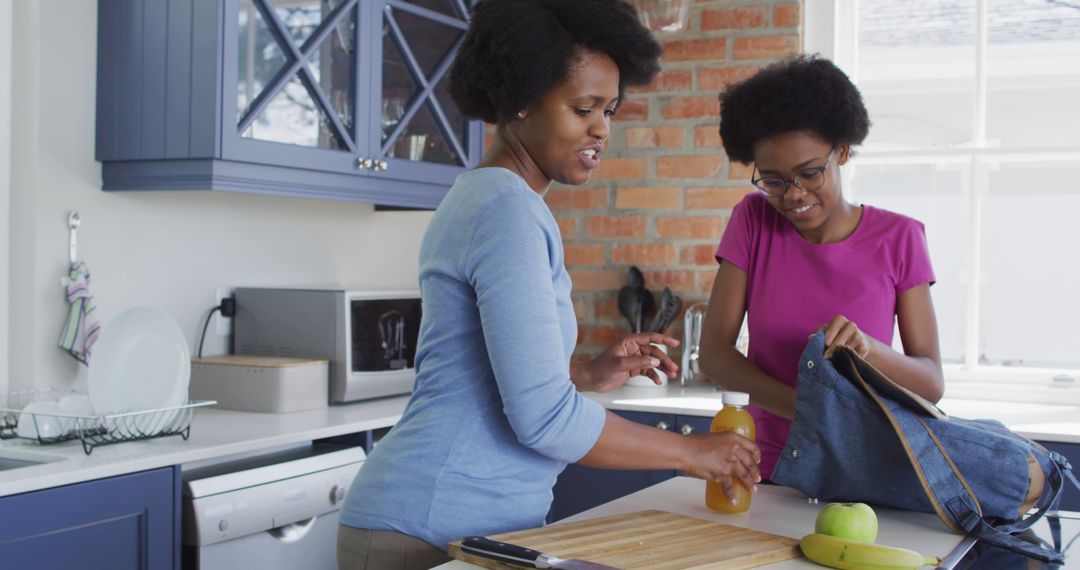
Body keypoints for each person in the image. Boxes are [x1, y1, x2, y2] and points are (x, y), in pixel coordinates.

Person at [337, 1, 761, 568]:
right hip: (425, 528)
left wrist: (585, 374)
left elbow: (487, 375)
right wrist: (693, 453)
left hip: (445, 523)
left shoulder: (490, 198)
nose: (601, 129)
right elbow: (544, 420)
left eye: (609, 110)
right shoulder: (508, 211)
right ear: (521, 99)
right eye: (583, 108)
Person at [698, 55, 945, 482]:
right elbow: (714, 356)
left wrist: (869, 349)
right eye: (773, 180)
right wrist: (806, 408)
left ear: (843, 151)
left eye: (810, 173)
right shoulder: (753, 220)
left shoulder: (900, 238)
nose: (793, 195)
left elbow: (931, 382)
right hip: (763, 466)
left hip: (863, 466)